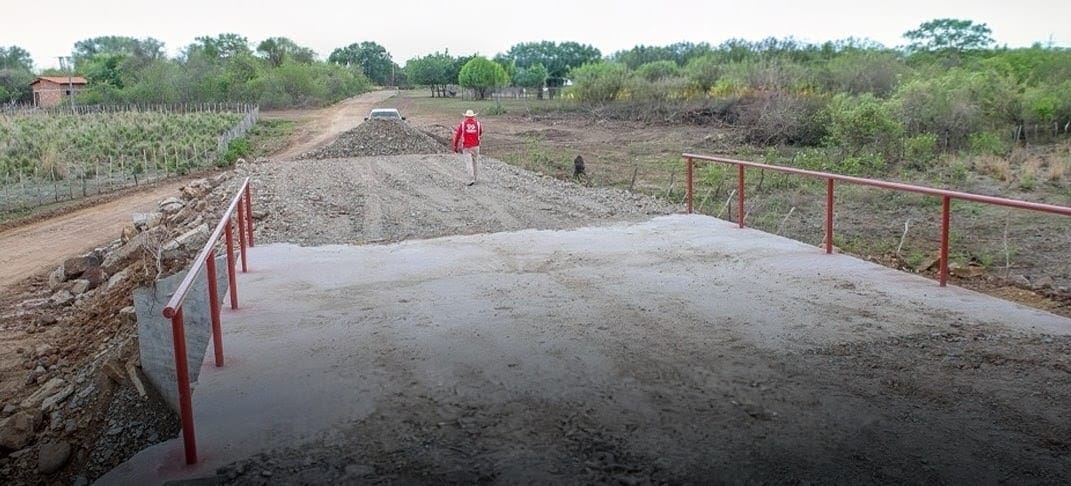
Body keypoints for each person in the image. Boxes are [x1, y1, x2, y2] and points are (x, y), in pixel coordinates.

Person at [453, 109, 483, 185]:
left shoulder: (463, 124)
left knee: (468, 162)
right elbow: (480, 132)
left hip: (466, 146)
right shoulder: (478, 124)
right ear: (473, 116)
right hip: (476, 146)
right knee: (475, 162)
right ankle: (475, 177)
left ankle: (471, 178)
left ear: (466, 116)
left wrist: (455, 146)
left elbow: (457, 136)